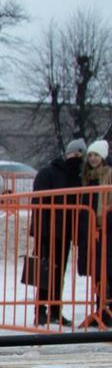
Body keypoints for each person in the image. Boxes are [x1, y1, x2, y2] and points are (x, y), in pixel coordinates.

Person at [28, 138, 86, 327]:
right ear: (66, 153)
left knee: (58, 272)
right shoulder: (49, 172)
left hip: (65, 231)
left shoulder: (76, 175)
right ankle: (41, 310)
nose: (75, 157)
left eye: (79, 154)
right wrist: (41, 230)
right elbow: (39, 203)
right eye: (73, 153)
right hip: (47, 231)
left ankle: (55, 310)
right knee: (45, 271)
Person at [77, 140, 112, 328]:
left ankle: (108, 310)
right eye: (90, 155)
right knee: (96, 270)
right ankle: (99, 308)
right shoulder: (86, 177)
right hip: (90, 231)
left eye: (96, 155)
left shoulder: (108, 175)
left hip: (106, 229)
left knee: (108, 269)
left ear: (103, 157)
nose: (93, 159)